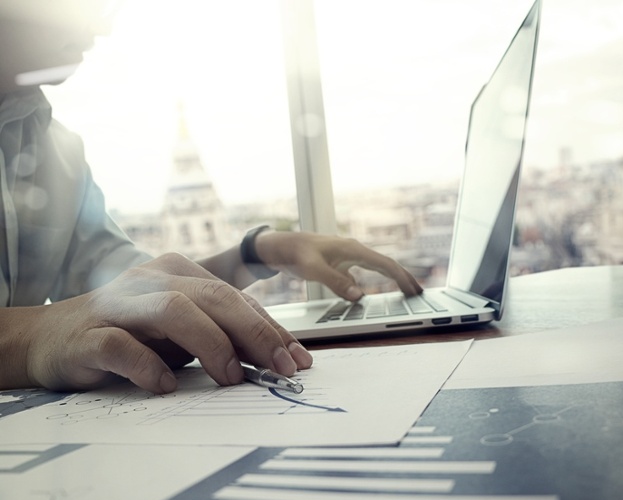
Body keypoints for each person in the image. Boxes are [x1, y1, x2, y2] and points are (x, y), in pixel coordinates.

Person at [0, 1, 422, 395]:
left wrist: (257, 252)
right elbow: (66, 324)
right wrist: (39, 334)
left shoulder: (58, 153)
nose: (103, 24)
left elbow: (133, 296)